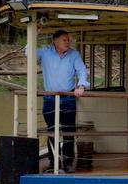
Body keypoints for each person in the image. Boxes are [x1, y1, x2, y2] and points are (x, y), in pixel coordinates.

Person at [38, 29, 89, 172]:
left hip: (68, 98)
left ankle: (67, 162)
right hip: (50, 99)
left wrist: (81, 85)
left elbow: (81, 70)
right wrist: (34, 32)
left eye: (68, 40)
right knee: (51, 131)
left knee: (68, 131)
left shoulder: (74, 54)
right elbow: (27, 52)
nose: (68, 42)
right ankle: (53, 162)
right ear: (55, 41)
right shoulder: (45, 52)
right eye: (64, 40)